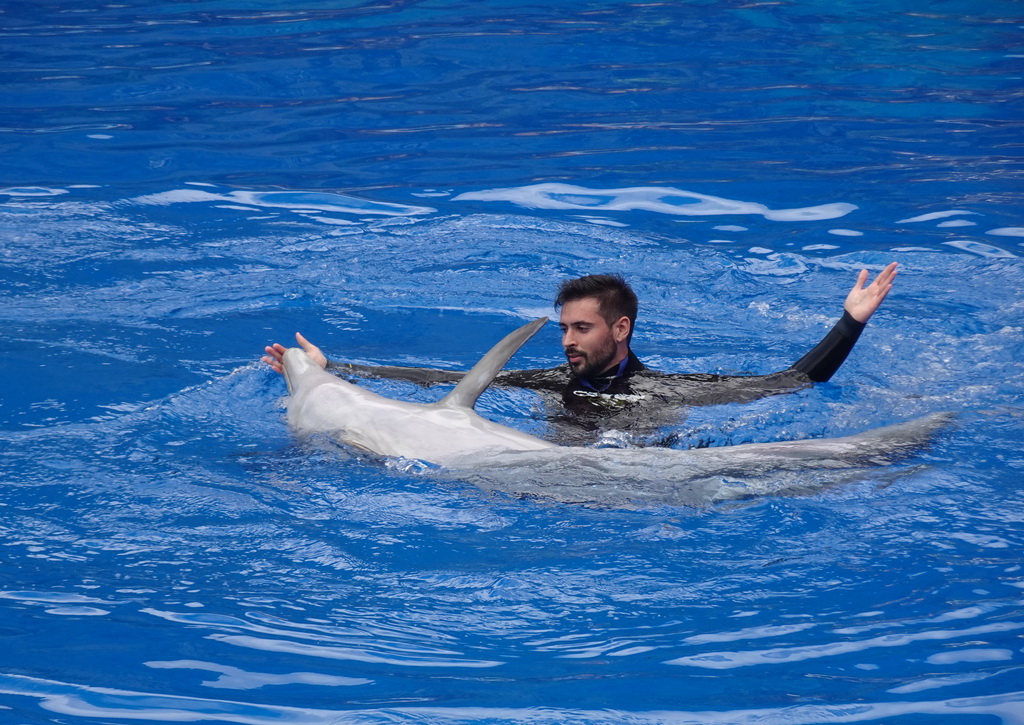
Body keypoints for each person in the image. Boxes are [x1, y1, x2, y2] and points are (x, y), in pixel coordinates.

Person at [263, 264, 897, 442]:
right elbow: (439, 382)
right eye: (564, 328)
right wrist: (331, 371)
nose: (567, 340)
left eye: (582, 330)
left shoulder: (663, 392)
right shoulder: (549, 383)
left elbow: (789, 383)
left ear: (620, 330)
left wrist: (849, 322)